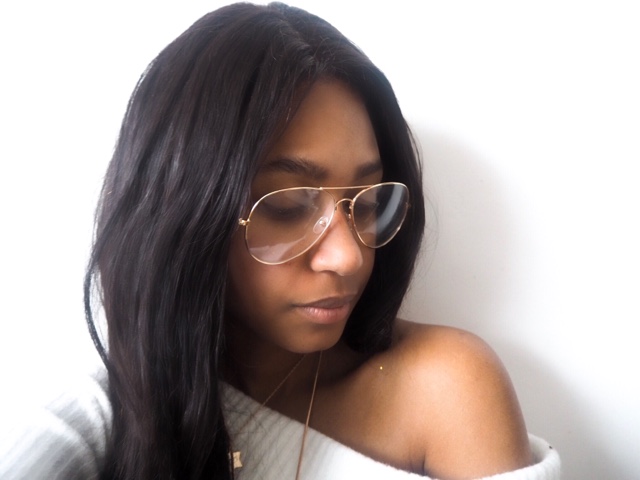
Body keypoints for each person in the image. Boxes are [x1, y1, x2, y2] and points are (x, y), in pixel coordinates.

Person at [0, 3, 560, 480]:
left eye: (367, 204)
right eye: (288, 207)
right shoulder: (120, 404)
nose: (348, 257)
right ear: (185, 212)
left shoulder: (445, 387)